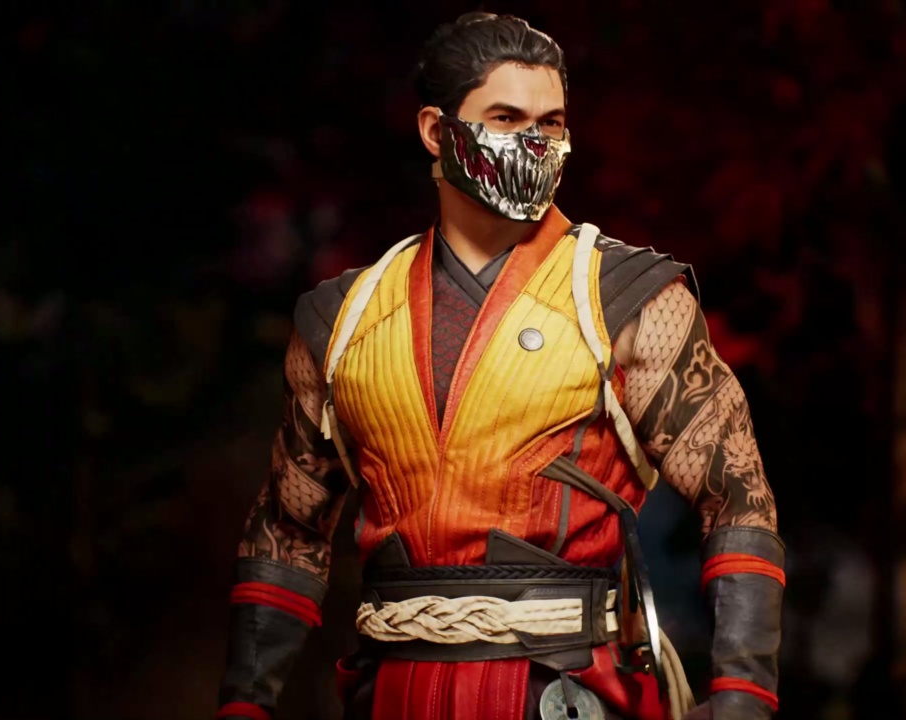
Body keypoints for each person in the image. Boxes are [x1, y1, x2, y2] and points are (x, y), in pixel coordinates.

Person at [216, 12, 783, 720]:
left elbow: (738, 495)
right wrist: (245, 703)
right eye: (507, 118)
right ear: (436, 130)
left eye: (551, 122)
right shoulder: (344, 320)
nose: (535, 142)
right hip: (389, 692)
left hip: (566, 689)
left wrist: (744, 693)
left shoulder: (627, 300)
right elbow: (289, 526)